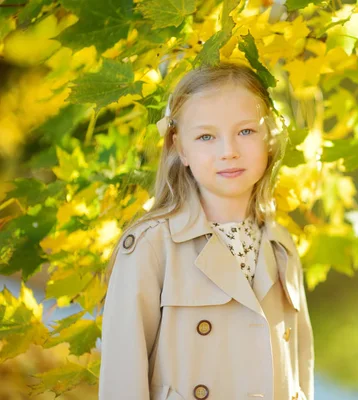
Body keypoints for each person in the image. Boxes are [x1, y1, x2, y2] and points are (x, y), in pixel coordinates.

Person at [98, 62, 315, 400]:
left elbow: (300, 371)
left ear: (269, 138)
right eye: (206, 136)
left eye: (245, 131)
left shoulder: (281, 245)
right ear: (179, 148)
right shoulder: (151, 245)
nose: (228, 151)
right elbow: (122, 380)